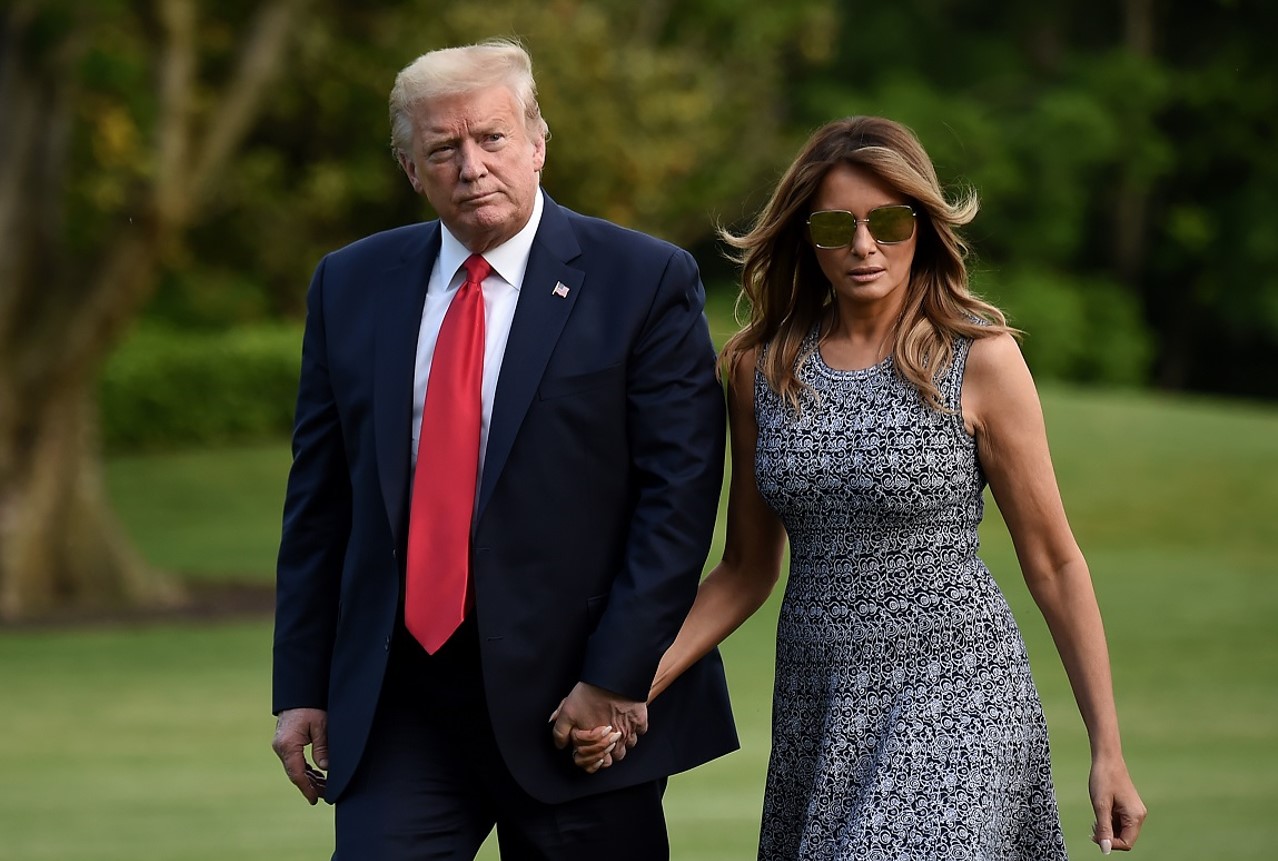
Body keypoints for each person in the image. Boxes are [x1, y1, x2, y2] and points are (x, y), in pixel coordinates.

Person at [571, 116, 1147, 858]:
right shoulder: (761, 369)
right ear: (807, 236)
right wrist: (628, 688)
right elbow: (747, 569)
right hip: (823, 702)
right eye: (838, 225)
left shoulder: (980, 358)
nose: (864, 246)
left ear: (925, 227)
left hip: (961, 691)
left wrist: (1107, 748)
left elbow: (1054, 561)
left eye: (891, 221)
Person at [269, 38, 737, 860]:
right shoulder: (350, 283)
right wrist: (302, 686)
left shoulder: (644, 279)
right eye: (442, 148)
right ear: (411, 169)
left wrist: (617, 678)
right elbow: (320, 502)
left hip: (577, 708)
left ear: (537, 143)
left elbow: (679, 498)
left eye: (491, 138)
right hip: (400, 704)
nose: (471, 165)